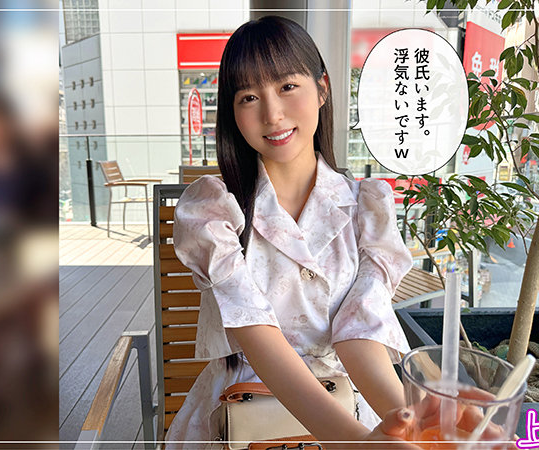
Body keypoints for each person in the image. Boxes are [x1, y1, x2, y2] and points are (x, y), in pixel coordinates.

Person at [166, 16, 418, 448]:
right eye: (249, 97)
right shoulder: (215, 212)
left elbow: (359, 331)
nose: (272, 114)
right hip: (240, 418)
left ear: (321, 89)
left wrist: (417, 422)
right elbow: (256, 333)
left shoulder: (367, 209)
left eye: (287, 86)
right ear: (232, 112)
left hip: (348, 408)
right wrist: (355, 442)